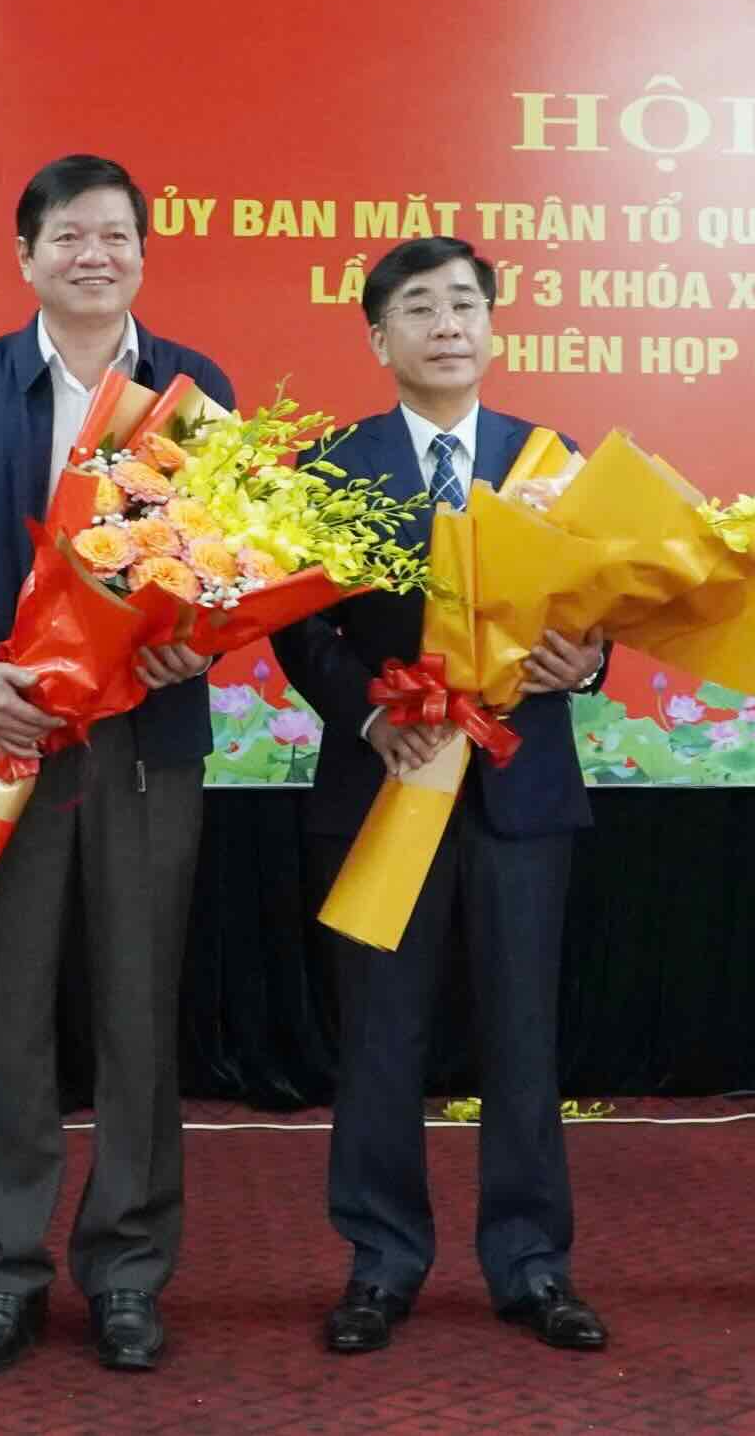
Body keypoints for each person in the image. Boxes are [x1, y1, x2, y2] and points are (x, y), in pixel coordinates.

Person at [0, 154, 232, 1374]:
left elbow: (224, 559)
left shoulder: (193, 387)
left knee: (138, 1012)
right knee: (2, 1013)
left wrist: (193, 642)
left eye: (114, 236)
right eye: (67, 237)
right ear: (25, 257)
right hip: (8, 735)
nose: (92, 255)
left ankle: (129, 1273)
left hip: (144, 742)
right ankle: (3, 1274)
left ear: (143, 253)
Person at [272, 235, 610, 1358]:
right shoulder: (331, 467)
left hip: (517, 789)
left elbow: (595, 603)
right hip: (386, 783)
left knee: (523, 1035)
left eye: (466, 303)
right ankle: (378, 1263)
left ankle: (531, 1264)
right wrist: (369, 717)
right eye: (419, 307)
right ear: (380, 337)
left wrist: (588, 658)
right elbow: (297, 625)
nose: (448, 324)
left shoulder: (548, 462)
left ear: (492, 326)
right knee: (379, 1035)